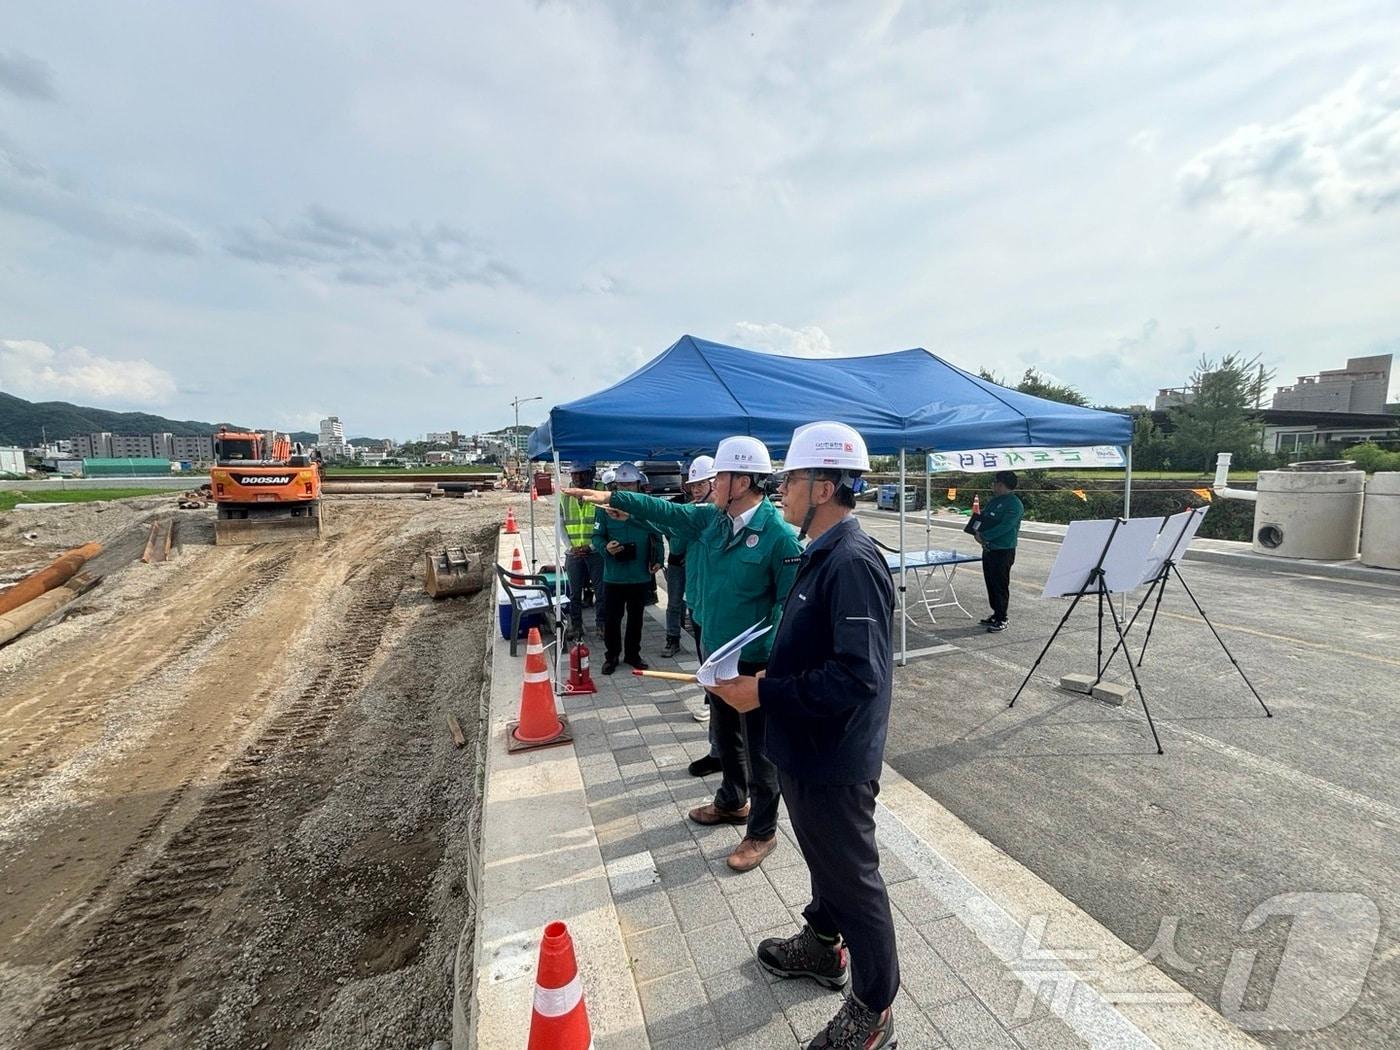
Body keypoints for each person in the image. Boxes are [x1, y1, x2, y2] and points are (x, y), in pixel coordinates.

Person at [708, 421, 899, 1050]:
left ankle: (873, 1009)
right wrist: (766, 673)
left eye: (789, 477)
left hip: (834, 756)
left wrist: (763, 692)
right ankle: (821, 945)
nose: (781, 487)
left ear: (823, 485)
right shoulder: (819, 551)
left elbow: (857, 676)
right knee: (825, 861)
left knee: (854, 879)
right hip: (807, 747)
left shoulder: (850, 560)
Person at [565, 436, 800, 872]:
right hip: (714, 649)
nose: (713, 483)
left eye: (722, 476)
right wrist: (615, 497)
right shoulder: (712, 521)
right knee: (724, 733)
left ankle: (763, 831)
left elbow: (788, 611)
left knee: (762, 749)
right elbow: (667, 512)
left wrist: (770, 674)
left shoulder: (779, 537)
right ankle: (733, 800)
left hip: (755, 661)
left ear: (743, 480)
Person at [593, 462, 665, 674]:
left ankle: (633, 654)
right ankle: (612, 656)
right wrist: (606, 547)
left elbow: (657, 536)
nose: (625, 489)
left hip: (639, 575)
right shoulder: (605, 509)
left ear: (638, 485)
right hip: (614, 576)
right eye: (621, 485)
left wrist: (658, 559)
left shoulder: (648, 507)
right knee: (612, 618)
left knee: (636, 618)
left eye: (630, 484)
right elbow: (596, 536)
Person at [559, 461, 606, 639]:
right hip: (574, 552)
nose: (578, 478)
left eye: (582, 474)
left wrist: (592, 546)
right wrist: (571, 547)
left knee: (601, 591)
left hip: (596, 552)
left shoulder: (600, 491)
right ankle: (576, 626)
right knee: (574, 593)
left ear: (590, 474)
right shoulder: (565, 495)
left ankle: (602, 625)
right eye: (574, 474)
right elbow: (561, 524)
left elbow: (605, 523)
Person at [976, 470, 1024, 633]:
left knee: (1000, 584)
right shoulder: (994, 501)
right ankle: (996, 613)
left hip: (1003, 550)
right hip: (989, 549)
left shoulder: (1014, 504)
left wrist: (985, 536)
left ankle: (1002, 617)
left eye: (995, 483)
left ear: (1002, 485)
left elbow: (1006, 526)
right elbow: (983, 517)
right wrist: (975, 529)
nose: (992, 486)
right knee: (990, 582)